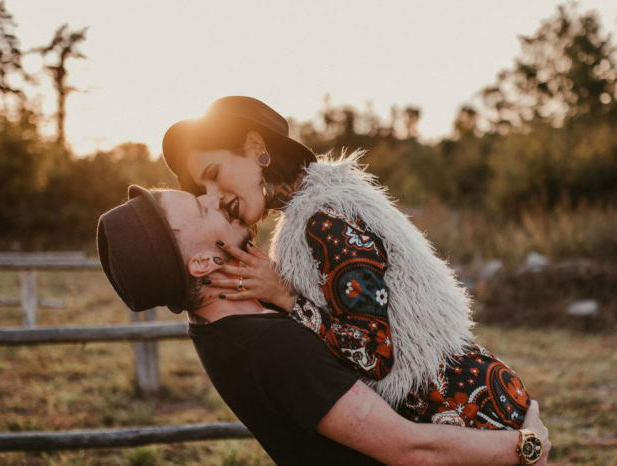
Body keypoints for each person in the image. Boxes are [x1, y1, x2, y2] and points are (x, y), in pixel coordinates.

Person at [96, 185, 550, 465]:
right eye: (201, 206)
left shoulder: (220, 325)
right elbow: (410, 450)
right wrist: (528, 447)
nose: (215, 197)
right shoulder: (269, 347)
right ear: (201, 262)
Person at [162, 97, 539, 433]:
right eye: (203, 189)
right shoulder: (315, 213)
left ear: (256, 146)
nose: (214, 195)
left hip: (464, 409)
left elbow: (373, 356)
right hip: (456, 405)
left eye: (213, 174)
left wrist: (286, 297)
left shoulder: (322, 220)